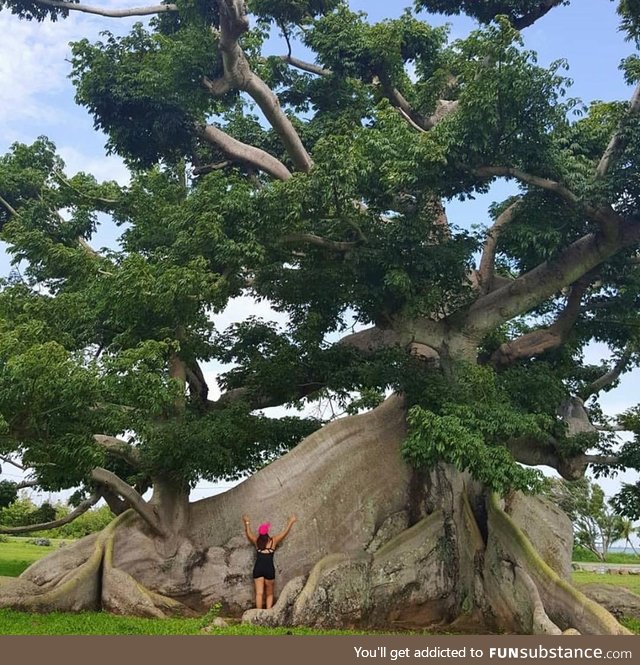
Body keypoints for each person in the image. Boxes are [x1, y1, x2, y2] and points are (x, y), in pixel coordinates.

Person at [242, 513, 297, 609]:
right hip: (269, 569)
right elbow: (284, 533)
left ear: (260, 533)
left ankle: (258, 614)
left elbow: (249, 534)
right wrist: (290, 522)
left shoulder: (257, 541)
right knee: (269, 594)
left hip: (258, 568)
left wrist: (247, 522)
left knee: (259, 593)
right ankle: (268, 613)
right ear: (267, 532)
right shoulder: (273, 541)